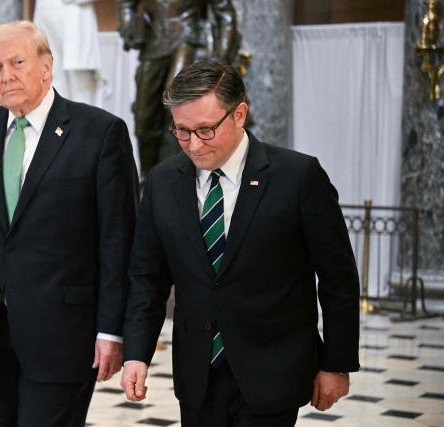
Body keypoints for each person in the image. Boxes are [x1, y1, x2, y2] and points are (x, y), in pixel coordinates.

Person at [120, 61, 360, 426]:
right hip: (198, 374)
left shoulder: (297, 177)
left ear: (239, 114)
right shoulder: (163, 181)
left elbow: (337, 278)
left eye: (205, 130)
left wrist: (336, 364)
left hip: (273, 371)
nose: (194, 145)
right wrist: (136, 354)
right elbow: (147, 277)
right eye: (182, 132)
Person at [0, 21, 138, 427]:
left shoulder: (100, 133)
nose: (6, 75)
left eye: (17, 62)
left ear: (47, 67)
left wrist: (112, 331)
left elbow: (119, 243)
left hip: (63, 334)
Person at [117, 0, 241, 178]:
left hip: (188, 40)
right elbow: (126, 4)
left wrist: (221, 60)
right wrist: (129, 25)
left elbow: (225, 13)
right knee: (144, 118)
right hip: (154, 43)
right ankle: (147, 178)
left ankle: (179, 177)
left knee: (176, 108)